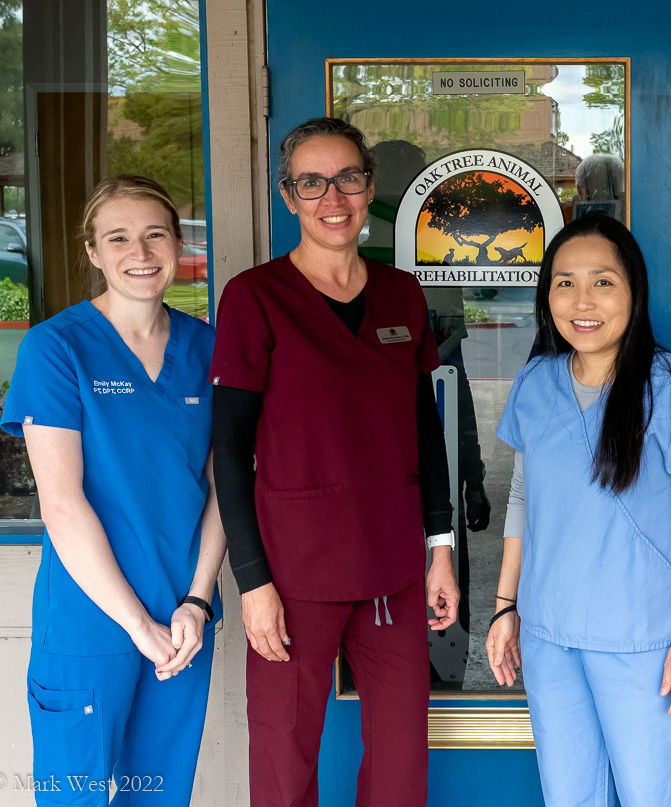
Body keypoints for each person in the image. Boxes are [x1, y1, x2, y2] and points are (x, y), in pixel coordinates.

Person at [209, 117, 459, 807]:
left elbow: (423, 429)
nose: (333, 198)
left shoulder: (401, 294)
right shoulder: (255, 299)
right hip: (294, 575)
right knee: (286, 761)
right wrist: (253, 582)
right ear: (289, 196)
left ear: (369, 187)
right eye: (312, 182)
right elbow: (228, 451)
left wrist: (440, 548)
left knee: (402, 764)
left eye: (348, 178)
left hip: (392, 568)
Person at [1, 174, 226, 806]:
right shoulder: (57, 348)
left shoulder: (206, 347)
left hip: (182, 619)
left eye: (156, 234)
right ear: (93, 252)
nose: (141, 252)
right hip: (91, 620)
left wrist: (197, 602)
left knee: (159, 793)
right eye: (119, 237)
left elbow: (224, 488)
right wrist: (138, 625)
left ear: (179, 244)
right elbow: (62, 504)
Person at [485, 214, 671, 807]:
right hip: (548, 634)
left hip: (644, 639)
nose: (582, 301)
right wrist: (505, 607)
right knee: (569, 797)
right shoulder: (536, 382)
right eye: (564, 283)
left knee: (655, 796)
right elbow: (523, 495)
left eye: (602, 282)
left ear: (633, 291)